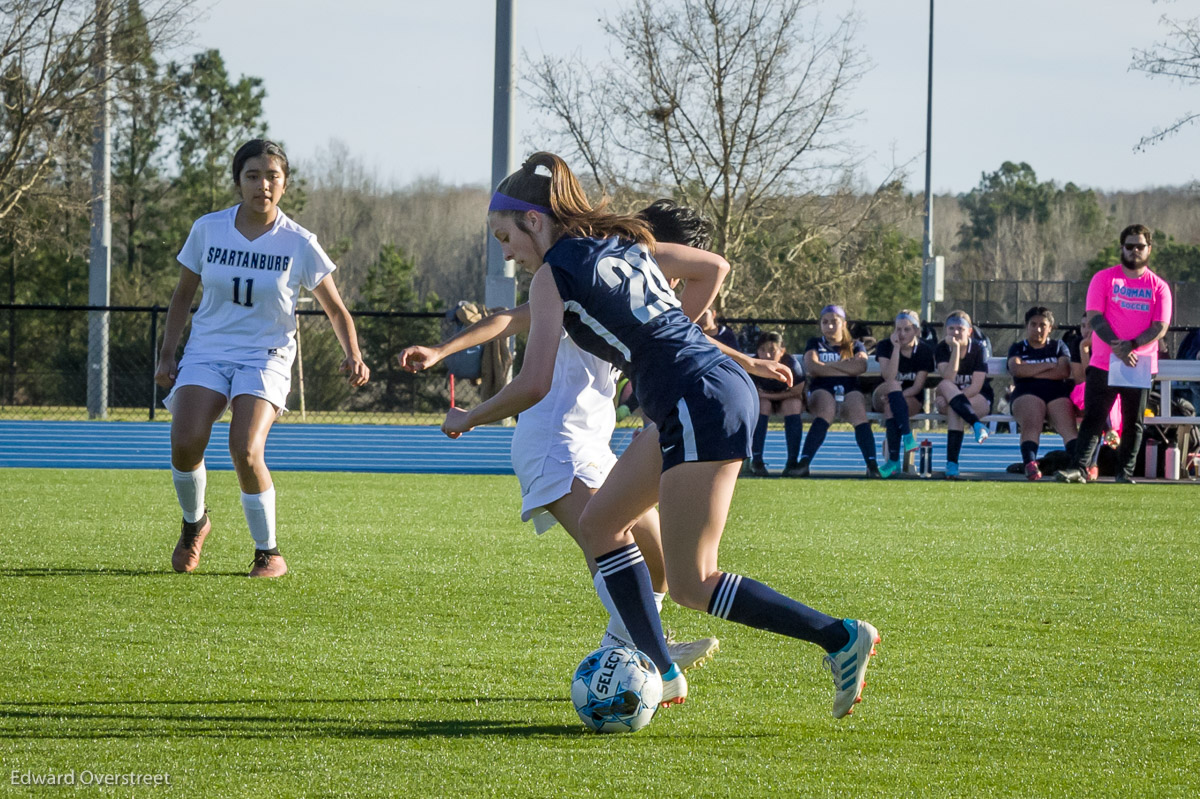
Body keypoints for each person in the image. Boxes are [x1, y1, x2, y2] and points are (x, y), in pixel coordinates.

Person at [443, 152, 878, 718]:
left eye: (505, 236)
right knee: (603, 524)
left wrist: (468, 417)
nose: (505, 252)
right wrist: (672, 332)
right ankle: (664, 670)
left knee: (694, 582)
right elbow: (713, 267)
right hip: (704, 389)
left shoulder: (554, 274)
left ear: (532, 219)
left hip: (693, 397)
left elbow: (533, 382)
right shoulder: (624, 242)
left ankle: (839, 637)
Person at [398, 199, 734, 673]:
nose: (674, 281)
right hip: (552, 442)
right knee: (611, 551)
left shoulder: (634, 293)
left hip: (596, 444)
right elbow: (507, 319)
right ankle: (651, 658)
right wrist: (440, 351)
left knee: (657, 567)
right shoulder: (583, 279)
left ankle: (636, 651)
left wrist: (750, 362)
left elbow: (680, 337)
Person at [155, 139, 369, 578]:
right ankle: (195, 523)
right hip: (208, 350)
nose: (263, 185)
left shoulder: (299, 242)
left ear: (285, 184)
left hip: (265, 356)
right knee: (185, 440)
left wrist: (354, 355)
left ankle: (268, 552)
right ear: (238, 181)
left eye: (272, 176)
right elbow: (182, 297)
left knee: (245, 449)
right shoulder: (208, 229)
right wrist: (167, 354)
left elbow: (336, 309)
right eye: (253, 175)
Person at [1058, 224, 1173, 484]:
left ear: (1149, 249)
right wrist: (1117, 346)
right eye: (1130, 246)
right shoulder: (1104, 279)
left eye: (1140, 246)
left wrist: (1131, 345)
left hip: (1139, 364)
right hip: (1103, 362)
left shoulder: (1159, 287)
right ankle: (1079, 468)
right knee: (1094, 418)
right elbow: (1095, 318)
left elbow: (1160, 326)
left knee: (1133, 422)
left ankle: (1125, 473)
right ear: (1121, 248)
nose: (1135, 251)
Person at [792, 305, 879, 478]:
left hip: (849, 388)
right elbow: (813, 368)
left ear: (844, 324)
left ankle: (872, 464)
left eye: (834, 322)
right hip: (821, 388)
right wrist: (846, 366)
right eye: (825, 322)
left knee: (859, 411)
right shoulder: (814, 343)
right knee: (827, 409)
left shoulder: (856, 345)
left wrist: (828, 366)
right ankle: (804, 462)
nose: (830, 326)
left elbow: (860, 366)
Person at [1007, 306, 1077, 481]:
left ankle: (1078, 465)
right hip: (1026, 391)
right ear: (1027, 326)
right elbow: (1017, 370)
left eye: (1042, 325)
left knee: (1068, 426)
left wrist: (1030, 369)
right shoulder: (1018, 348)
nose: (1038, 329)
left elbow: (1063, 371)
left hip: (1056, 391)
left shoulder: (1058, 346)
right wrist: (1048, 365)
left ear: (1050, 328)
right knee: (1032, 422)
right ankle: (1030, 464)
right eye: (1033, 324)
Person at [873, 310, 935, 478]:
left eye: (906, 330)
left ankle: (893, 462)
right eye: (898, 329)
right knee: (893, 385)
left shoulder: (924, 350)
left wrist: (897, 397)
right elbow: (889, 376)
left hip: (909, 397)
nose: (901, 334)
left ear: (916, 331)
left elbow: (917, 387)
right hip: (883, 393)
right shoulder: (886, 346)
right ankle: (907, 436)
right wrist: (896, 348)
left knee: (891, 408)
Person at [933, 310, 992, 479]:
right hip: (952, 399)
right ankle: (977, 426)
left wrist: (950, 399)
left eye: (960, 328)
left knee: (954, 408)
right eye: (951, 328)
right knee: (946, 385)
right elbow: (949, 377)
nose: (956, 332)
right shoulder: (942, 348)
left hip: (978, 398)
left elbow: (976, 386)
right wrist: (956, 349)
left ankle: (952, 463)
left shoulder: (979, 349)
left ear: (969, 331)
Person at [746, 331, 806, 476]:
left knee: (793, 404)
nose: (767, 355)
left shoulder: (791, 364)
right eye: (762, 350)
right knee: (762, 404)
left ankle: (792, 461)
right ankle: (757, 460)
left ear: (782, 351)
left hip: (786, 396)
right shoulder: (752, 365)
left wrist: (767, 394)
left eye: (772, 351)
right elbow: (751, 393)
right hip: (763, 400)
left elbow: (797, 391)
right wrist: (764, 396)